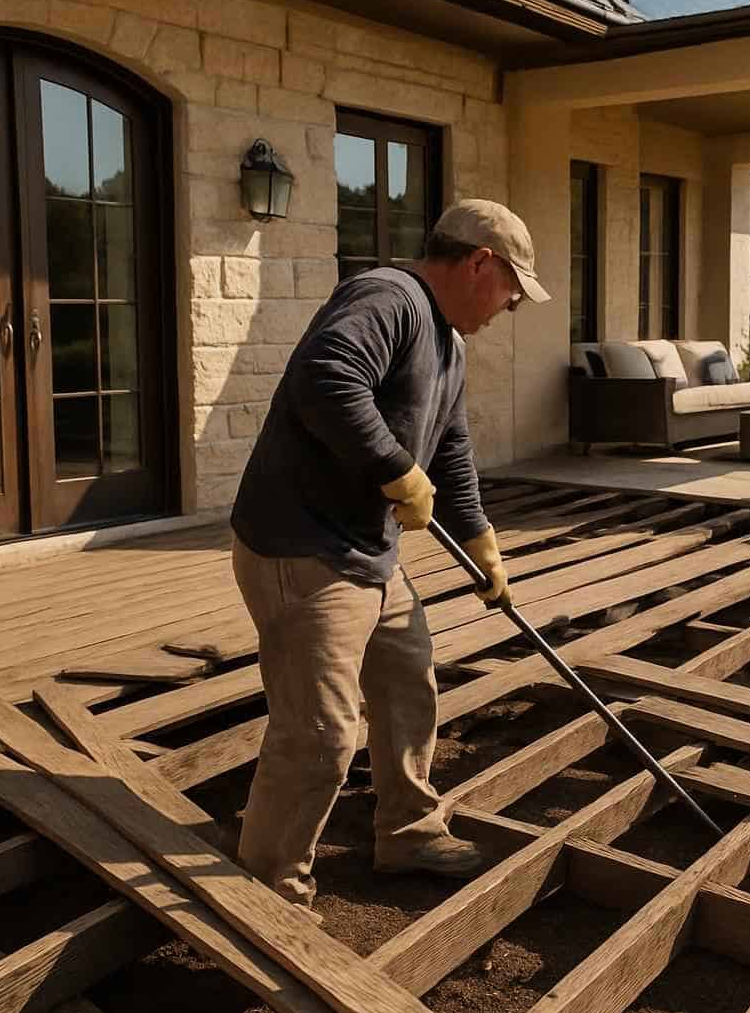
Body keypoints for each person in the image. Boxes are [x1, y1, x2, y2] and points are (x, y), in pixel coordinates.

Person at [228, 199, 550, 918]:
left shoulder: (450, 342)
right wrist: (395, 469)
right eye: (511, 290)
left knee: (408, 685)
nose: (511, 308)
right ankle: (269, 893)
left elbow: (453, 448)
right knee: (321, 734)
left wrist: (480, 541)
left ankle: (407, 833)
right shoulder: (388, 298)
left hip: (366, 551)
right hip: (304, 548)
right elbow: (325, 379)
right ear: (479, 264)